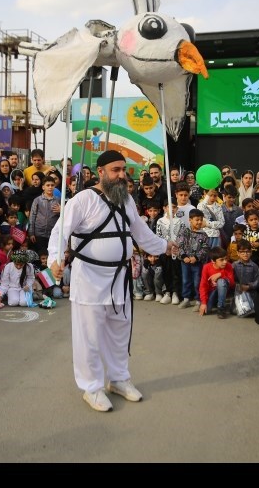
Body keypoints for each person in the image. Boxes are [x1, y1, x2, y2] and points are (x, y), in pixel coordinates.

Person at [48, 150, 175, 412]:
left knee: (120, 332)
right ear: (101, 172)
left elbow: (141, 233)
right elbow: (59, 232)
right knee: (90, 336)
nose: (121, 175)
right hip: (90, 279)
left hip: (120, 279)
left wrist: (165, 246)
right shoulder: (82, 200)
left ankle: (118, 379)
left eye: (123, 169)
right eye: (115, 170)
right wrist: (54, 260)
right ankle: (91, 388)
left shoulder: (127, 199)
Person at [199, 246, 235, 319]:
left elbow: (232, 283)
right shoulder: (206, 267)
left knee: (221, 282)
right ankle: (216, 302)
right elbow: (203, 285)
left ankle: (221, 308)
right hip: (212, 291)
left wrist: (220, 274)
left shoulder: (229, 266)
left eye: (226, 259)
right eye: (221, 260)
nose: (225, 262)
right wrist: (203, 302)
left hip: (225, 291)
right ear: (213, 261)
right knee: (207, 311)